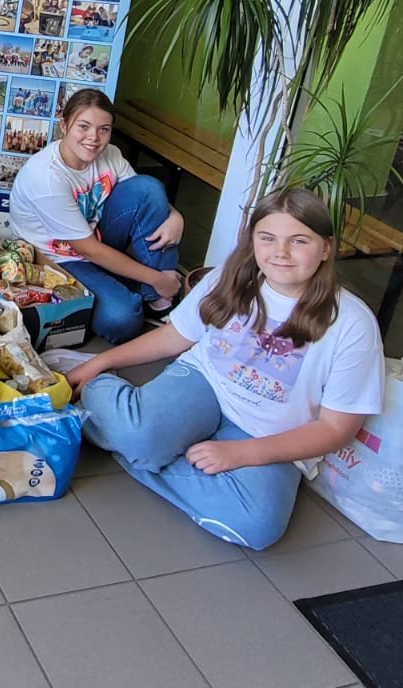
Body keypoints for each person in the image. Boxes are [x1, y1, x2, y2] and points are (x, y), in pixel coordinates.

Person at [67, 189, 384, 550]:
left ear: (326, 248)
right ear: (253, 240)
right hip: (204, 386)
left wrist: (242, 454)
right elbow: (175, 337)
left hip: (268, 433)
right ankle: (119, 413)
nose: (280, 252)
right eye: (268, 238)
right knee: (141, 436)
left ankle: (141, 449)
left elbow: (336, 428)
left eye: (299, 241)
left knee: (257, 526)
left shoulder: (352, 323)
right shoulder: (231, 279)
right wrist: (101, 362)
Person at [8, 88, 183, 342]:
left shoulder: (110, 154)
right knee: (121, 319)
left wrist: (177, 217)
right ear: (64, 126)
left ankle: (159, 298)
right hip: (58, 258)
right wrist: (156, 277)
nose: (94, 137)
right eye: (84, 126)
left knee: (149, 187)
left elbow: (147, 198)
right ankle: (159, 284)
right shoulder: (45, 177)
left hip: (98, 238)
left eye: (104, 129)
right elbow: (88, 250)